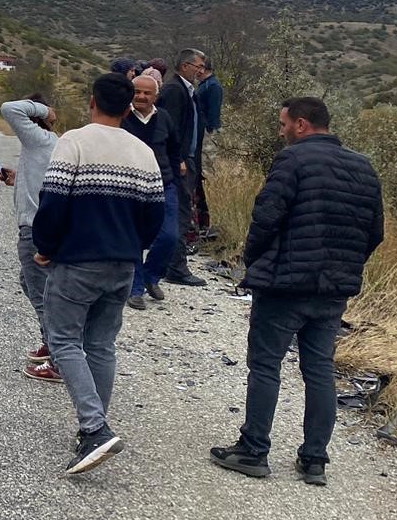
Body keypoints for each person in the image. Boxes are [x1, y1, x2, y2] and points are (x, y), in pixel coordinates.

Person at [211, 97, 383, 487]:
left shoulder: (292, 160)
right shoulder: (364, 167)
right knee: (319, 370)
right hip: (333, 289)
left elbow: (266, 217)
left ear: (301, 124)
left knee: (266, 364)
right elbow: (375, 232)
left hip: (285, 285)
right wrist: (345, 264)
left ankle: (253, 449)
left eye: (283, 123)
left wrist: (254, 261)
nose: (281, 131)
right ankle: (314, 459)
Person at [32, 73, 165, 475]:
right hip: (123, 263)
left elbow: (52, 203)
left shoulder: (73, 142)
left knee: (64, 340)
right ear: (127, 108)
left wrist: (45, 247)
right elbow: (155, 216)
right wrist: (132, 247)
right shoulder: (143, 152)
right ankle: (93, 429)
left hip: (77, 261)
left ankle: (94, 428)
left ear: (92, 101)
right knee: (102, 344)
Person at [0, 93, 62, 383]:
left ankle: (59, 360)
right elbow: (42, 181)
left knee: (41, 296)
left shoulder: (38, 138)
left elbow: (9, 108)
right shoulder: (47, 143)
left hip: (33, 231)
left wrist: (45, 110)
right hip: (42, 227)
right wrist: (17, 179)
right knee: (30, 283)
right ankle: (53, 344)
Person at [123, 71, 181, 310]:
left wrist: (175, 178)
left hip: (163, 185)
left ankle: (151, 275)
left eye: (147, 93)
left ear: (156, 96)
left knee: (170, 236)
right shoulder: (122, 116)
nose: (141, 96)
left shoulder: (164, 118)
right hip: (131, 188)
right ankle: (135, 289)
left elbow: (174, 149)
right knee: (135, 239)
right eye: (137, 92)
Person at [153, 48, 208, 286]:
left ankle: (168, 264)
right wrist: (179, 159)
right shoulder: (175, 91)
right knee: (181, 212)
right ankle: (176, 267)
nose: (201, 71)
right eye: (198, 66)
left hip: (187, 159)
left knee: (181, 211)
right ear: (185, 66)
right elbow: (170, 128)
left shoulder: (186, 90)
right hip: (180, 162)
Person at [194, 56, 225, 236]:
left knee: (207, 172)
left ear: (204, 68)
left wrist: (210, 132)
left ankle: (210, 218)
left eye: (199, 67)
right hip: (202, 132)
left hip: (208, 133)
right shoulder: (204, 85)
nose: (196, 71)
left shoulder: (213, 86)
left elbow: (213, 113)